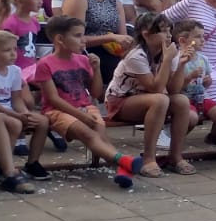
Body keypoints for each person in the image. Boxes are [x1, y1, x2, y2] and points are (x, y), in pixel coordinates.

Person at [36, 16, 140, 188]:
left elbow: (96, 93)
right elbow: (53, 99)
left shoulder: (83, 60)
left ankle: (123, 167)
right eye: (77, 36)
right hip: (57, 111)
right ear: (60, 39)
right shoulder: (45, 64)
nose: (83, 40)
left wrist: (96, 69)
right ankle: (123, 161)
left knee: (100, 134)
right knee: (88, 134)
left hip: (86, 107)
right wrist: (81, 116)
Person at [104, 11, 196, 177]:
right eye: (163, 31)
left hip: (150, 99)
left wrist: (181, 64)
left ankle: (175, 157)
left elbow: (174, 90)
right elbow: (156, 88)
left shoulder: (168, 52)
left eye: (169, 31)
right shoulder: (136, 56)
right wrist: (167, 60)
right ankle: (148, 159)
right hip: (120, 101)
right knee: (160, 99)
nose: (169, 35)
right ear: (146, 34)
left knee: (181, 101)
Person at [0, 30, 49, 195]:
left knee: (42, 121)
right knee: (15, 123)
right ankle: (5, 168)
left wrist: (25, 113)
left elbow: (16, 99)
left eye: (15, 49)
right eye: (7, 50)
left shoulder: (15, 70)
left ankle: (32, 163)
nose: (13, 54)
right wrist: (16, 116)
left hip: (9, 110)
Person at [60, 0, 130, 83]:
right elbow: (72, 39)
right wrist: (110, 38)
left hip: (112, 56)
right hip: (86, 55)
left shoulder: (115, 2)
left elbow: (123, 38)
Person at [171, 20, 216, 157]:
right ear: (182, 41)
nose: (203, 40)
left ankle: (214, 137)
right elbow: (174, 88)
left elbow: (207, 82)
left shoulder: (203, 59)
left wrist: (207, 81)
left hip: (202, 97)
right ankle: (175, 142)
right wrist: (189, 77)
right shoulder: (175, 59)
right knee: (191, 118)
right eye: (198, 37)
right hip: (184, 99)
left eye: (203, 36)